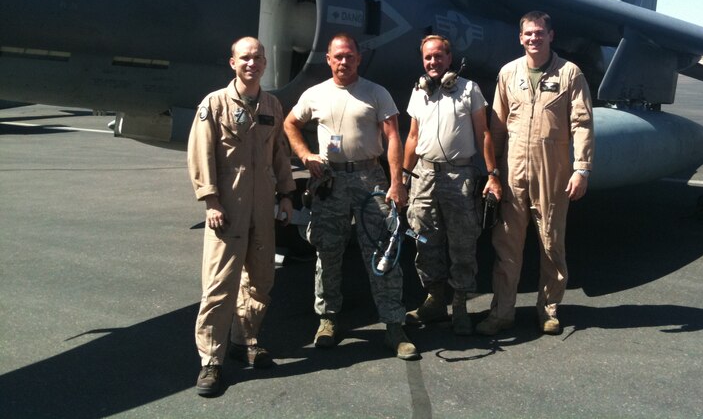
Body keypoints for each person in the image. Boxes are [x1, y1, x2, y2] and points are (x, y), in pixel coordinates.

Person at [283, 33, 417, 360]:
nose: (344, 61)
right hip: (330, 178)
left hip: (370, 176)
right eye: (337, 56)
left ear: (358, 58)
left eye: (349, 56)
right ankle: (328, 319)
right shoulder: (314, 95)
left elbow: (392, 137)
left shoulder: (376, 93)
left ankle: (393, 324)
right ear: (328, 59)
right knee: (328, 250)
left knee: (384, 249)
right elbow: (290, 124)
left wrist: (396, 182)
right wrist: (305, 156)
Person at [187, 37, 295, 396]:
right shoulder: (214, 104)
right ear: (232, 62)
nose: (252, 63)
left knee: (260, 279)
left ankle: (245, 340)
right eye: (245, 58)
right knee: (219, 286)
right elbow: (200, 153)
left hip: (263, 206)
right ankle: (211, 362)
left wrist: (287, 194)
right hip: (228, 209)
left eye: (258, 58)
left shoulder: (271, 104)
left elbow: (279, 151)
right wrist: (211, 200)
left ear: (265, 63)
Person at [476, 11, 594, 336]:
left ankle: (549, 310)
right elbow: (497, 126)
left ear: (551, 35)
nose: (533, 38)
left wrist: (581, 168)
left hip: (552, 170)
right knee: (506, 246)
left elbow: (582, 124)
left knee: (551, 244)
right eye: (528, 33)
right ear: (520, 37)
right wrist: (493, 173)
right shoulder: (508, 73)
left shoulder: (570, 74)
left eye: (539, 33)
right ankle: (502, 313)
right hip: (513, 169)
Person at [403, 35, 502, 334]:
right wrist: (402, 177)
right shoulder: (419, 92)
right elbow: (411, 137)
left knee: (462, 243)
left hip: (459, 176)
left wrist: (492, 173)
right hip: (423, 176)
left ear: (449, 58)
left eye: (438, 56)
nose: (433, 62)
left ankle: (459, 305)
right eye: (427, 58)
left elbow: (484, 133)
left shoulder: (469, 89)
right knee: (424, 239)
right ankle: (434, 300)